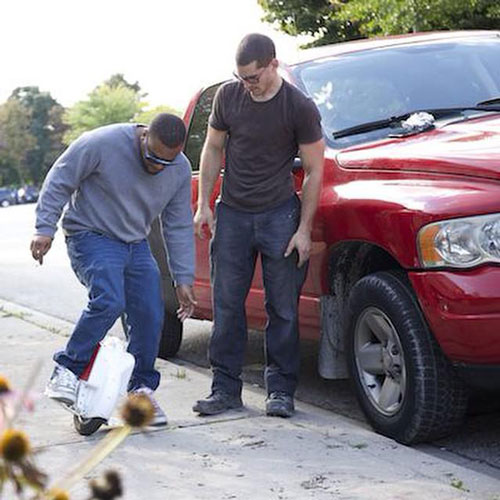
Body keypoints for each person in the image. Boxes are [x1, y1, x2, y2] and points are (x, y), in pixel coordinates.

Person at [30, 113, 196, 426]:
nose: (158, 167)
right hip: (90, 235)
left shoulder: (180, 169)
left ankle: (141, 390)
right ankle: (67, 370)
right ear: (144, 135)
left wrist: (183, 276)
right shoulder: (101, 143)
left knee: (150, 311)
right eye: (152, 157)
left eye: (167, 162)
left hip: (135, 242)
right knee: (109, 299)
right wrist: (44, 228)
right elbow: (59, 180)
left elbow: (177, 223)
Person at [192, 34, 325, 418]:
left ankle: (280, 392)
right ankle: (225, 390)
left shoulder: (298, 107)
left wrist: (303, 229)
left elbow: (315, 171)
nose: (246, 84)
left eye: (252, 77)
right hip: (232, 213)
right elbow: (213, 147)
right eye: (240, 77)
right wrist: (204, 204)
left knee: (282, 308)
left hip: (279, 214)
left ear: (272, 64)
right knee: (227, 304)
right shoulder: (228, 97)